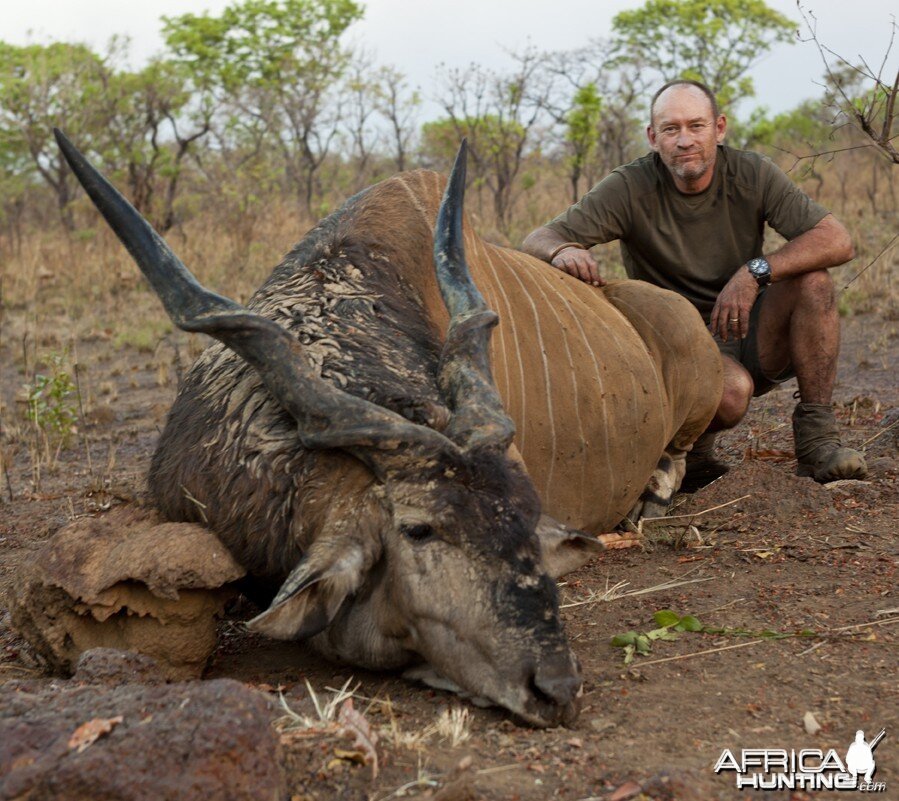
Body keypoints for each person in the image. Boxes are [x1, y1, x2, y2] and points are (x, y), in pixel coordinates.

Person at [522, 78, 867, 490]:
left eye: (696, 126)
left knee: (815, 283)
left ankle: (817, 444)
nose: (684, 140)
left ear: (719, 128)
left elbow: (837, 240)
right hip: (676, 340)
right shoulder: (629, 186)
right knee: (731, 392)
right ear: (653, 138)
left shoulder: (751, 173)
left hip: (744, 323)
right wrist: (563, 251)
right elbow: (538, 238)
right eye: (671, 129)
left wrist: (753, 272)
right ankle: (693, 453)